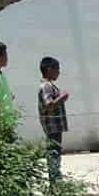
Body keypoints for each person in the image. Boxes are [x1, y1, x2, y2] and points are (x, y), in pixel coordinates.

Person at [38, 56, 69, 184]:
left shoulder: (50, 85)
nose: (59, 72)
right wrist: (62, 97)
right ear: (49, 69)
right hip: (52, 126)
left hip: (54, 126)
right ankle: (55, 180)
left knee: (55, 152)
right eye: (57, 69)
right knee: (54, 152)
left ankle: (56, 178)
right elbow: (49, 105)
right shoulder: (46, 86)